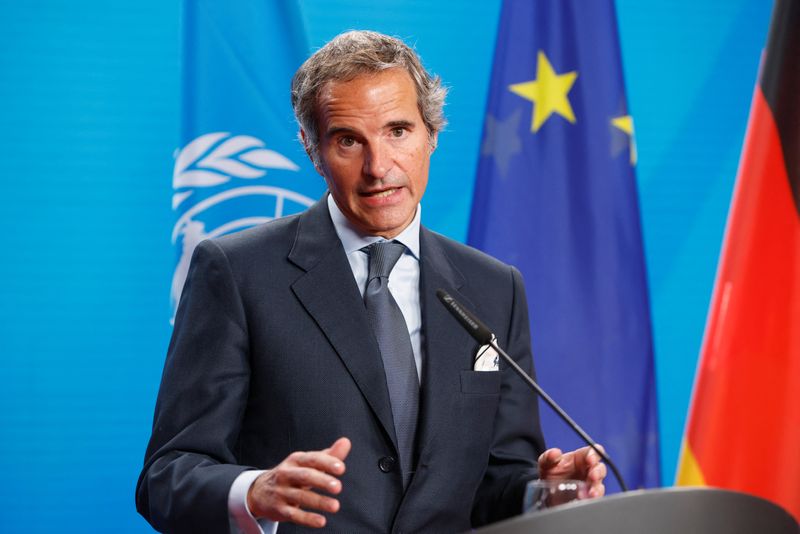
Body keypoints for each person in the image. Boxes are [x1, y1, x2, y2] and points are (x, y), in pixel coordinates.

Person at [136, 30, 606, 533]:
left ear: (432, 134)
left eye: (398, 131)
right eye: (347, 141)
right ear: (313, 150)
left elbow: (496, 481)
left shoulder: (494, 289)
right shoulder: (236, 272)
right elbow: (167, 476)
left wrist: (545, 493)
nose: (378, 168)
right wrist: (254, 490)